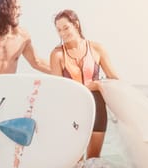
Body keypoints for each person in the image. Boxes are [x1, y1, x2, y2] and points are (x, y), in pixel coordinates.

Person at [50, 9, 119, 158]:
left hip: (98, 107)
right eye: (59, 30)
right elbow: (57, 90)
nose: (63, 33)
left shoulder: (96, 48)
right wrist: (93, 85)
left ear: (76, 24)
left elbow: (114, 78)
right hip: (73, 110)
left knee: (94, 160)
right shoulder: (57, 55)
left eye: (66, 28)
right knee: (76, 161)